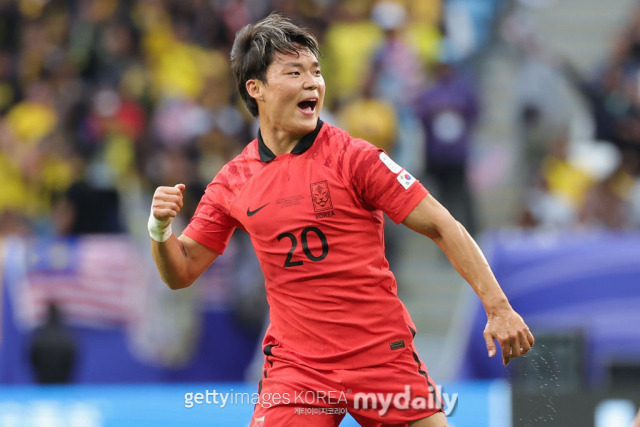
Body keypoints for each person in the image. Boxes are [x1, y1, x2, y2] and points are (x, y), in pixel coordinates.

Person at [148, 13, 534, 427]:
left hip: (378, 357)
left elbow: (443, 225)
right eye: (294, 72)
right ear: (255, 88)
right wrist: (160, 229)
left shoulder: (354, 158)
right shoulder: (232, 182)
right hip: (298, 372)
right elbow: (181, 270)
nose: (312, 82)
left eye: (316, 71)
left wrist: (498, 307)